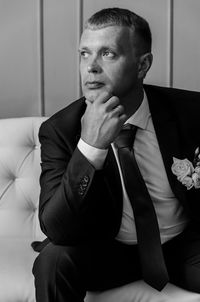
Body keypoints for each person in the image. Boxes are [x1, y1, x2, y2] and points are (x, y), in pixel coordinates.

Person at [32, 7, 200, 302]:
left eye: (107, 53)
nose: (91, 67)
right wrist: (90, 147)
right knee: (53, 261)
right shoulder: (60, 130)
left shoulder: (191, 112)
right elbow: (56, 228)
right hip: (107, 249)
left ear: (142, 64)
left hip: (182, 245)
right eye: (85, 54)